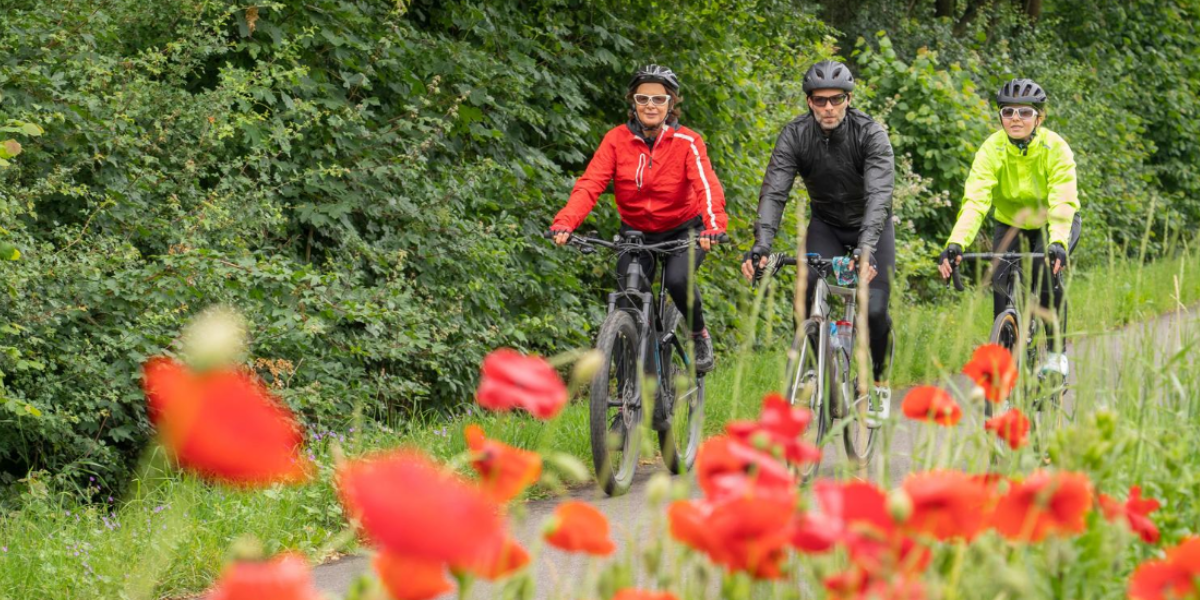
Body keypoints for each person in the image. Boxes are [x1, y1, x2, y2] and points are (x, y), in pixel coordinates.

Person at [743, 59, 896, 425]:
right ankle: (816, 365)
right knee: (807, 286)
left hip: (872, 229)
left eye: (836, 100)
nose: (828, 108)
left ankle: (877, 383)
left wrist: (866, 247)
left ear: (848, 99)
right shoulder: (795, 135)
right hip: (826, 224)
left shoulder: (870, 133)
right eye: (820, 100)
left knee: (874, 311)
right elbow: (775, 192)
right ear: (809, 102)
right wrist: (762, 243)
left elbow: (879, 195)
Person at [549, 64, 728, 373]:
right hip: (637, 232)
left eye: (659, 99)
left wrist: (713, 226)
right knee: (627, 302)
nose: (650, 105)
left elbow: (706, 185)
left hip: (683, 230)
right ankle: (627, 405)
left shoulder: (687, 142)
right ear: (633, 102)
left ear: (671, 103)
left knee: (677, 279)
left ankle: (698, 333)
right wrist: (566, 221)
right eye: (643, 98)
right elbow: (591, 183)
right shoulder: (616, 140)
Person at [937, 78, 1082, 377]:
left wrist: (1058, 242)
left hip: (1052, 222)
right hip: (1010, 223)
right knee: (1000, 284)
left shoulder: (1055, 147)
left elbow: (1063, 199)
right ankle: (1005, 355)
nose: (1016, 118)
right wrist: (956, 243)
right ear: (1000, 116)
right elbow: (976, 201)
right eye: (1008, 112)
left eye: (1025, 113)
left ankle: (1056, 355)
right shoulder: (992, 149)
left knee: (1046, 276)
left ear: (1039, 118)